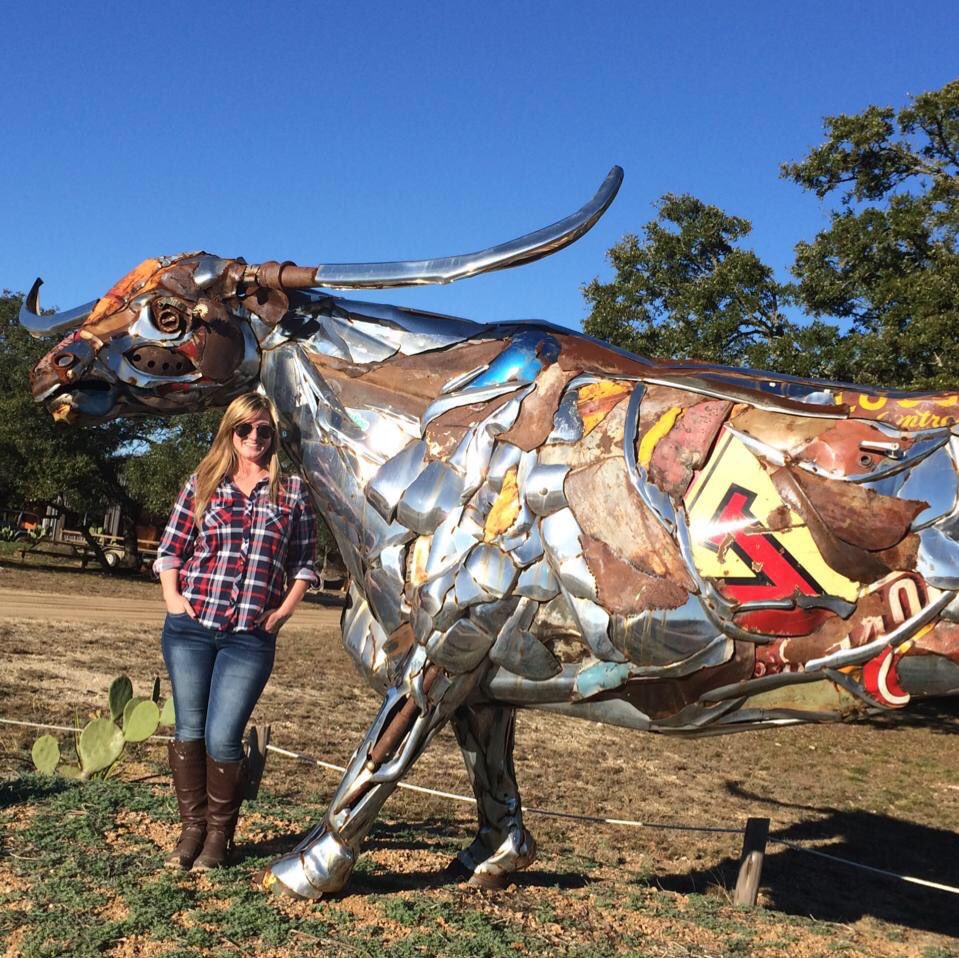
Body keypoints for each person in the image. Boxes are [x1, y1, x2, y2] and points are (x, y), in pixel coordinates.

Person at [154, 392, 317, 871]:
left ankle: (219, 838)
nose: (254, 438)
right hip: (191, 628)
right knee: (188, 729)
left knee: (223, 736)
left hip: (250, 635)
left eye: (263, 430)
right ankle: (192, 832)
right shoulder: (205, 481)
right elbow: (171, 548)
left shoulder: (291, 493)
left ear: (273, 436)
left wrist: (282, 612)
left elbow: (304, 563)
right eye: (244, 428)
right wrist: (172, 600)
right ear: (230, 431)